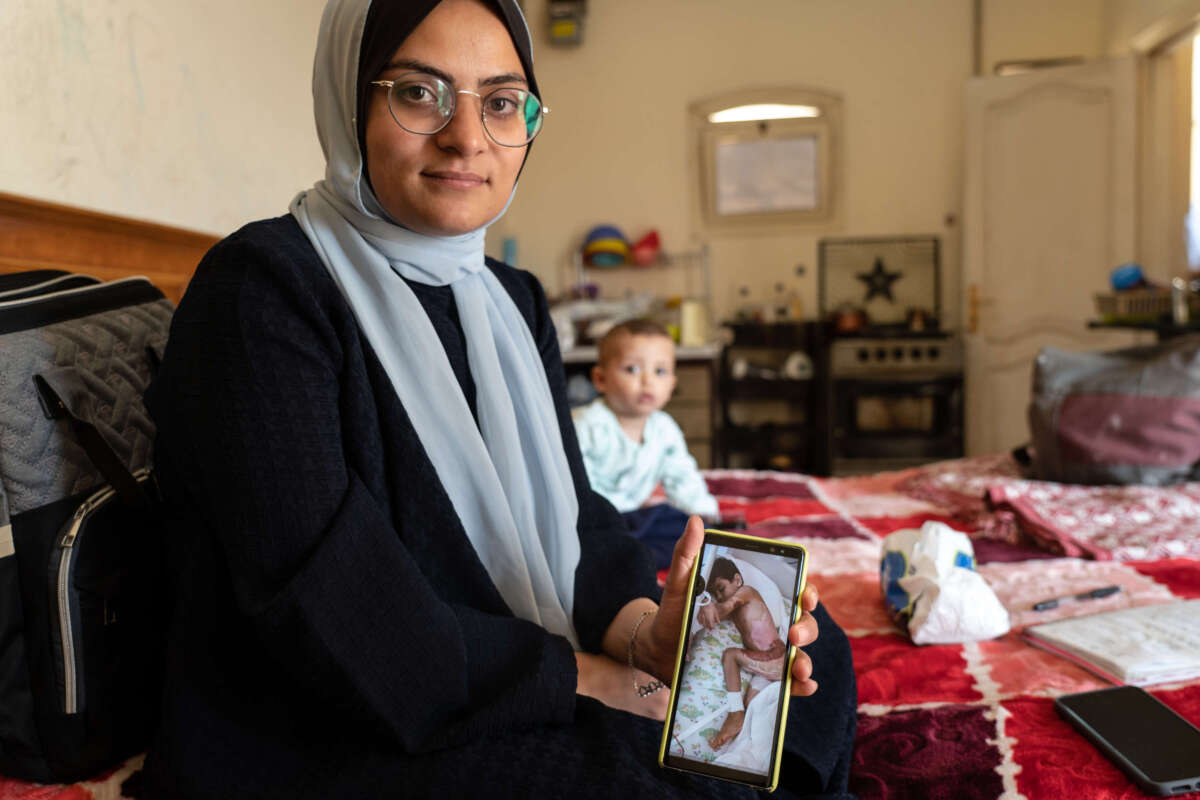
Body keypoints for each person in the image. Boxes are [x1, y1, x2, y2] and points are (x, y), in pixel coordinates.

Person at [140, 1, 857, 798]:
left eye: (503, 102)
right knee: (671, 769)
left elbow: (579, 514)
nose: (467, 137)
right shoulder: (263, 292)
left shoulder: (509, 299)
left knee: (816, 662)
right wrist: (597, 681)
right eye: (419, 93)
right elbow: (327, 609)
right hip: (340, 719)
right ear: (348, 101)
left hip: (519, 662)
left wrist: (648, 638)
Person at [573, 319, 719, 569]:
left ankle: (637, 556)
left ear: (672, 385)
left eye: (659, 371)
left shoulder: (664, 428)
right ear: (600, 379)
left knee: (688, 529)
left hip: (638, 519)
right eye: (632, 369)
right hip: (593, 521)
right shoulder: (586, 424)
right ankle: (624, 557)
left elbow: (681, 476)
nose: (647, 381)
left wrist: (704, 512)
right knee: (584, 544)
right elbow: (576, 485)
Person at [697, 558, 787, 750]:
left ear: (737, 580)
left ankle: (735, 712)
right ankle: (746, 722)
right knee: (752, 705)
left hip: (776, 657)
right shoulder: (731, 605)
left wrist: (708, 604)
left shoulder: (746, 593)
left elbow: (723, 608)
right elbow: (715, 617)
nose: (719, 596)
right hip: (762, 665)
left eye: (721, 588)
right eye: (715, 593)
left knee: (730, 655)